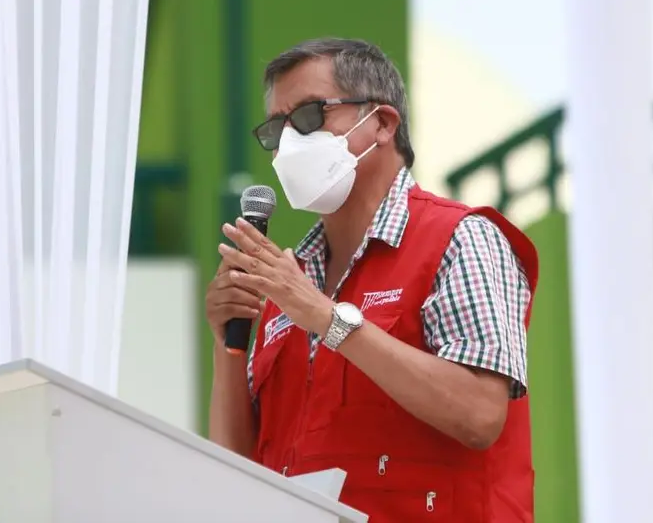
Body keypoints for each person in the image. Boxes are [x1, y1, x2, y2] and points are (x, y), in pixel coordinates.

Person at [206, 38, 539, 522]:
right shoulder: (288, 283)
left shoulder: (461, 238)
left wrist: (327, 319)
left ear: (382, 123)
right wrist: (228, 343)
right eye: (278, 129)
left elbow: (480, 415)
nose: (290, 143)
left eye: (309, 117)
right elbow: (239, 471)